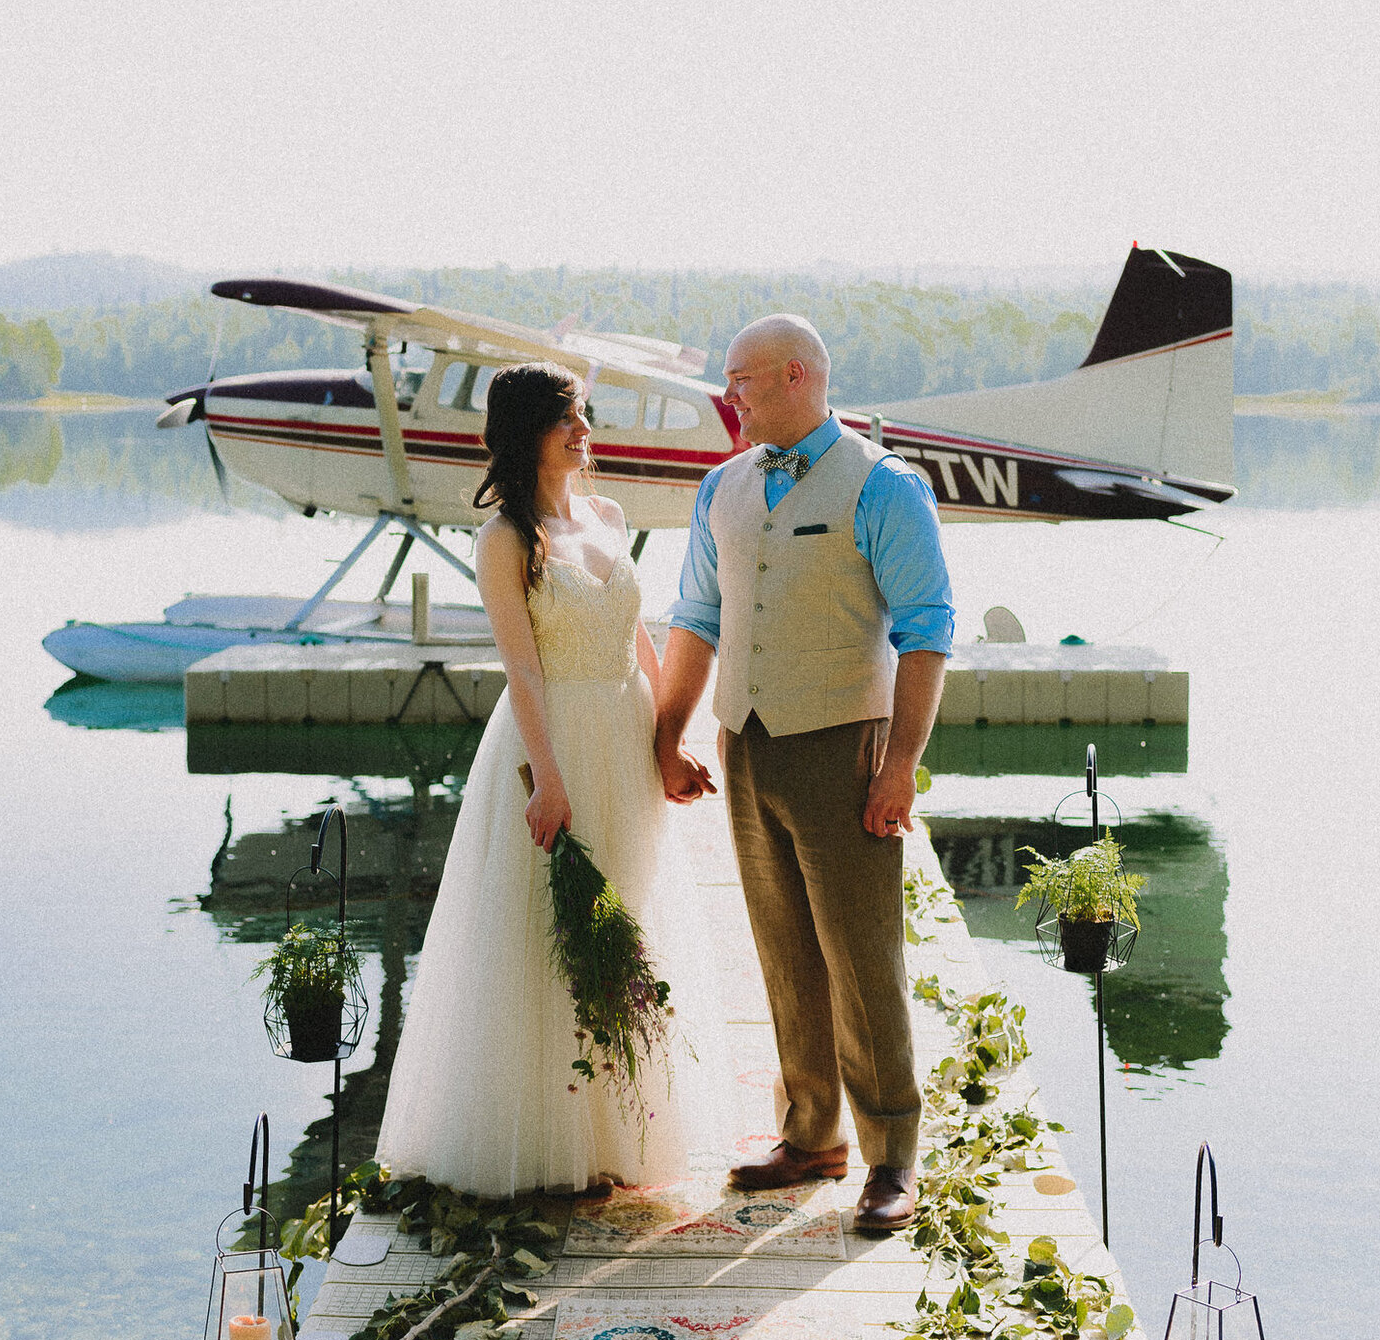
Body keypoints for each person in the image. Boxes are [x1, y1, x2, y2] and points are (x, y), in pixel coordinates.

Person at [375, 362, 717, 1197]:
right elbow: (522, 672)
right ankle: (548, 1144)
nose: (584, 430)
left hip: (625, 733)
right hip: (554, 739)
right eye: (567, 418)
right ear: (528, 430)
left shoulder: (608, 514)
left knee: (623, 917)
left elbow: (640, 636)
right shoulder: (502, 540)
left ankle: (615, 1133)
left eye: (584, 415)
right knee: (547, 934)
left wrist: (669, 739)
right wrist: (548, 779)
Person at [652, 314, 954, 1234]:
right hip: (745, 742)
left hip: (845, 744)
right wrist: (669, 736)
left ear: (795, 375)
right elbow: (695, 618)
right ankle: (810, 1134)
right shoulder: (720, 488)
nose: (728, 397)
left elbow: (927, 631)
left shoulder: (885, 486)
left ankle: (892, 1154)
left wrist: (899, 765)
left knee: (864, 956)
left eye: (741, 379)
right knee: (782, 949)